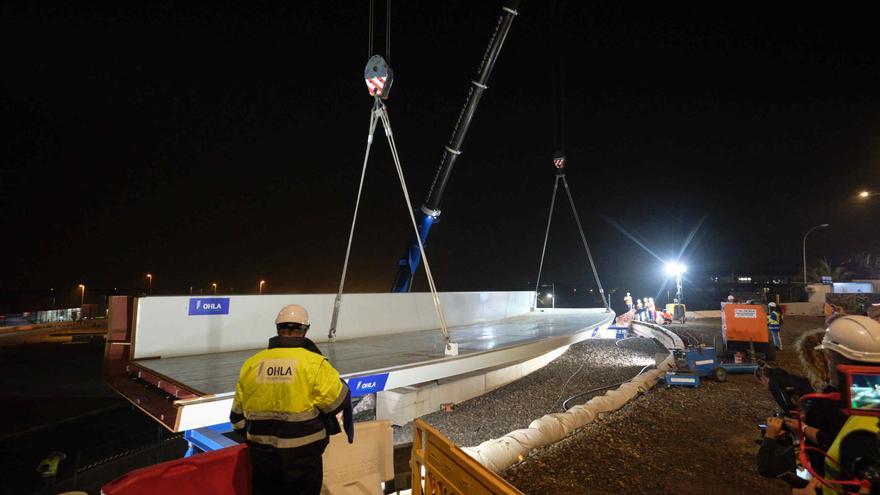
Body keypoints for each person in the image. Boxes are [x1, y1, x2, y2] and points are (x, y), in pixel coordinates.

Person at [230, 304, 353, 495]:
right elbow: (338, 401)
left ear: (277, 329)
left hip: (263, 462)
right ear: (305, 330)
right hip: (303, 463)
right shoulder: (315, 364)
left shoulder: (252, 364)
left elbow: (237, 418)